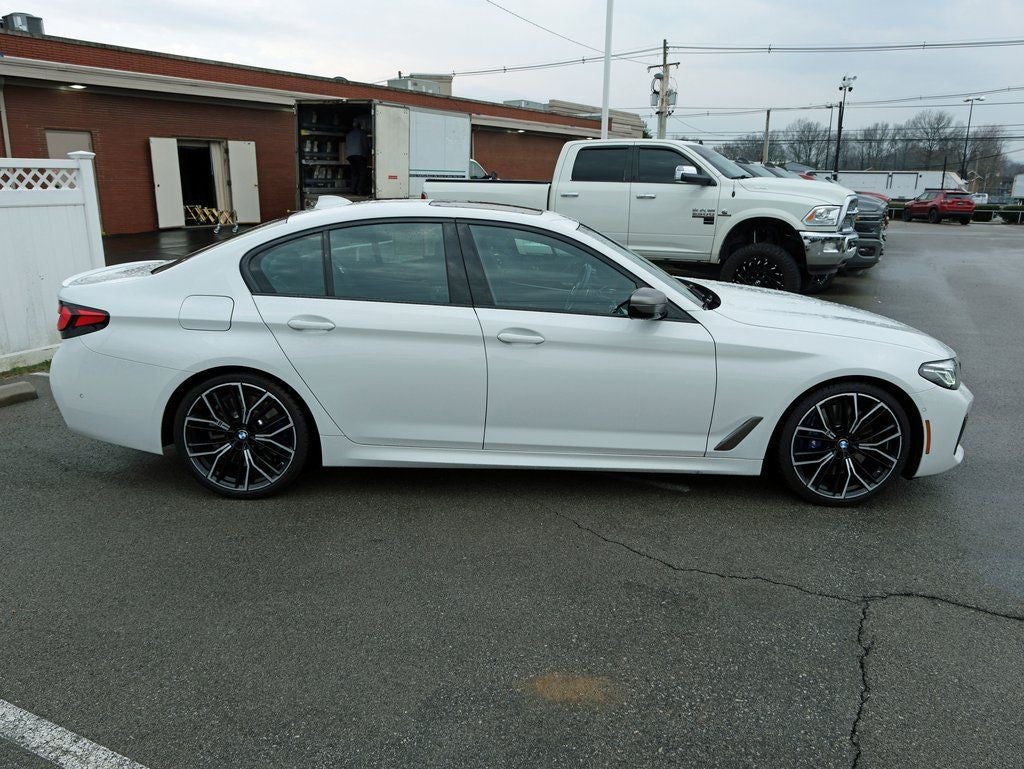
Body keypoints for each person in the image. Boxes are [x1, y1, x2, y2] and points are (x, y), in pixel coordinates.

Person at [345, 117, 370, 196]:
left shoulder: (349, 134)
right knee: (362, 173)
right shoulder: (362, 134)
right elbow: (366, 145)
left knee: (354, 173)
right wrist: (367, 154)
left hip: (350, 156)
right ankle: (360, 190)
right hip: (359, 155)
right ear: (360, 126)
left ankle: (352, 190)